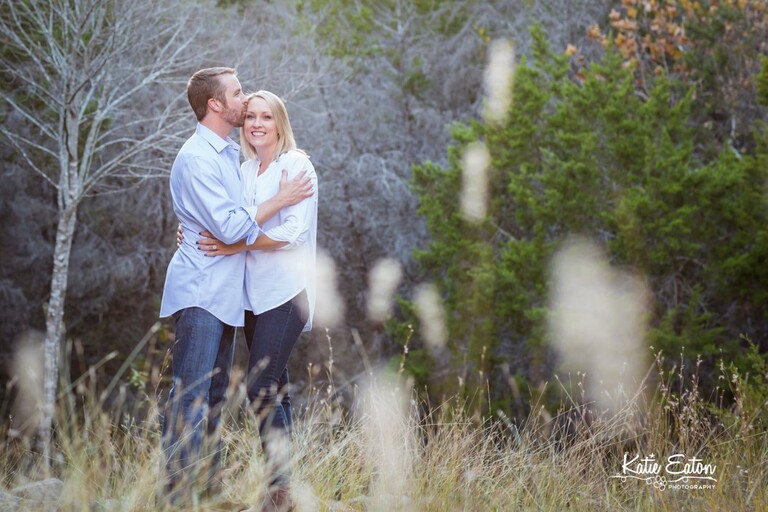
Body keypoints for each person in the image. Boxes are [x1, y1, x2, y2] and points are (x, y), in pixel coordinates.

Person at [159, 69, 312, 504]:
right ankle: (180, 494)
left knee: (215, 395)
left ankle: (211, 489)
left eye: (265, 113)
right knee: (192, 394)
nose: (245, 103)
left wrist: (214, 235)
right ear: (215, 104)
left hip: (237, 295)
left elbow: (238, 223)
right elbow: (227, 225)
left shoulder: (230, 155)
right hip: (205, 292)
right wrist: (277, 202)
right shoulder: (202, 158)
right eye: (239, 93)